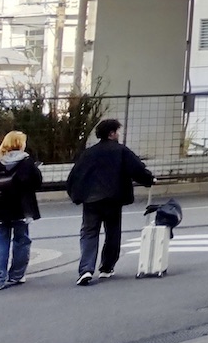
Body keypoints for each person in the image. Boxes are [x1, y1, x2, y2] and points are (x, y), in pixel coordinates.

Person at [66, 118, 154, 286]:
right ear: (112, 133)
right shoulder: (120, 151)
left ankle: (85, 269)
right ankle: (107, 267)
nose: (118, 134)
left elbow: (75, 176)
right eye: (117, 131)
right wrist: (149, 179)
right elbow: (136, 169)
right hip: (113, 198)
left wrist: (77, 195)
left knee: (89, 233)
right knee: (113, 232)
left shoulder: (88, 153)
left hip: (91, 200)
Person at [0, 130, 42, 292]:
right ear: (21, 144)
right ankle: (17, 275)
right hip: (20, 208)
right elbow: (36, 182)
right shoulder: (27, 162)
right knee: (22, 241)